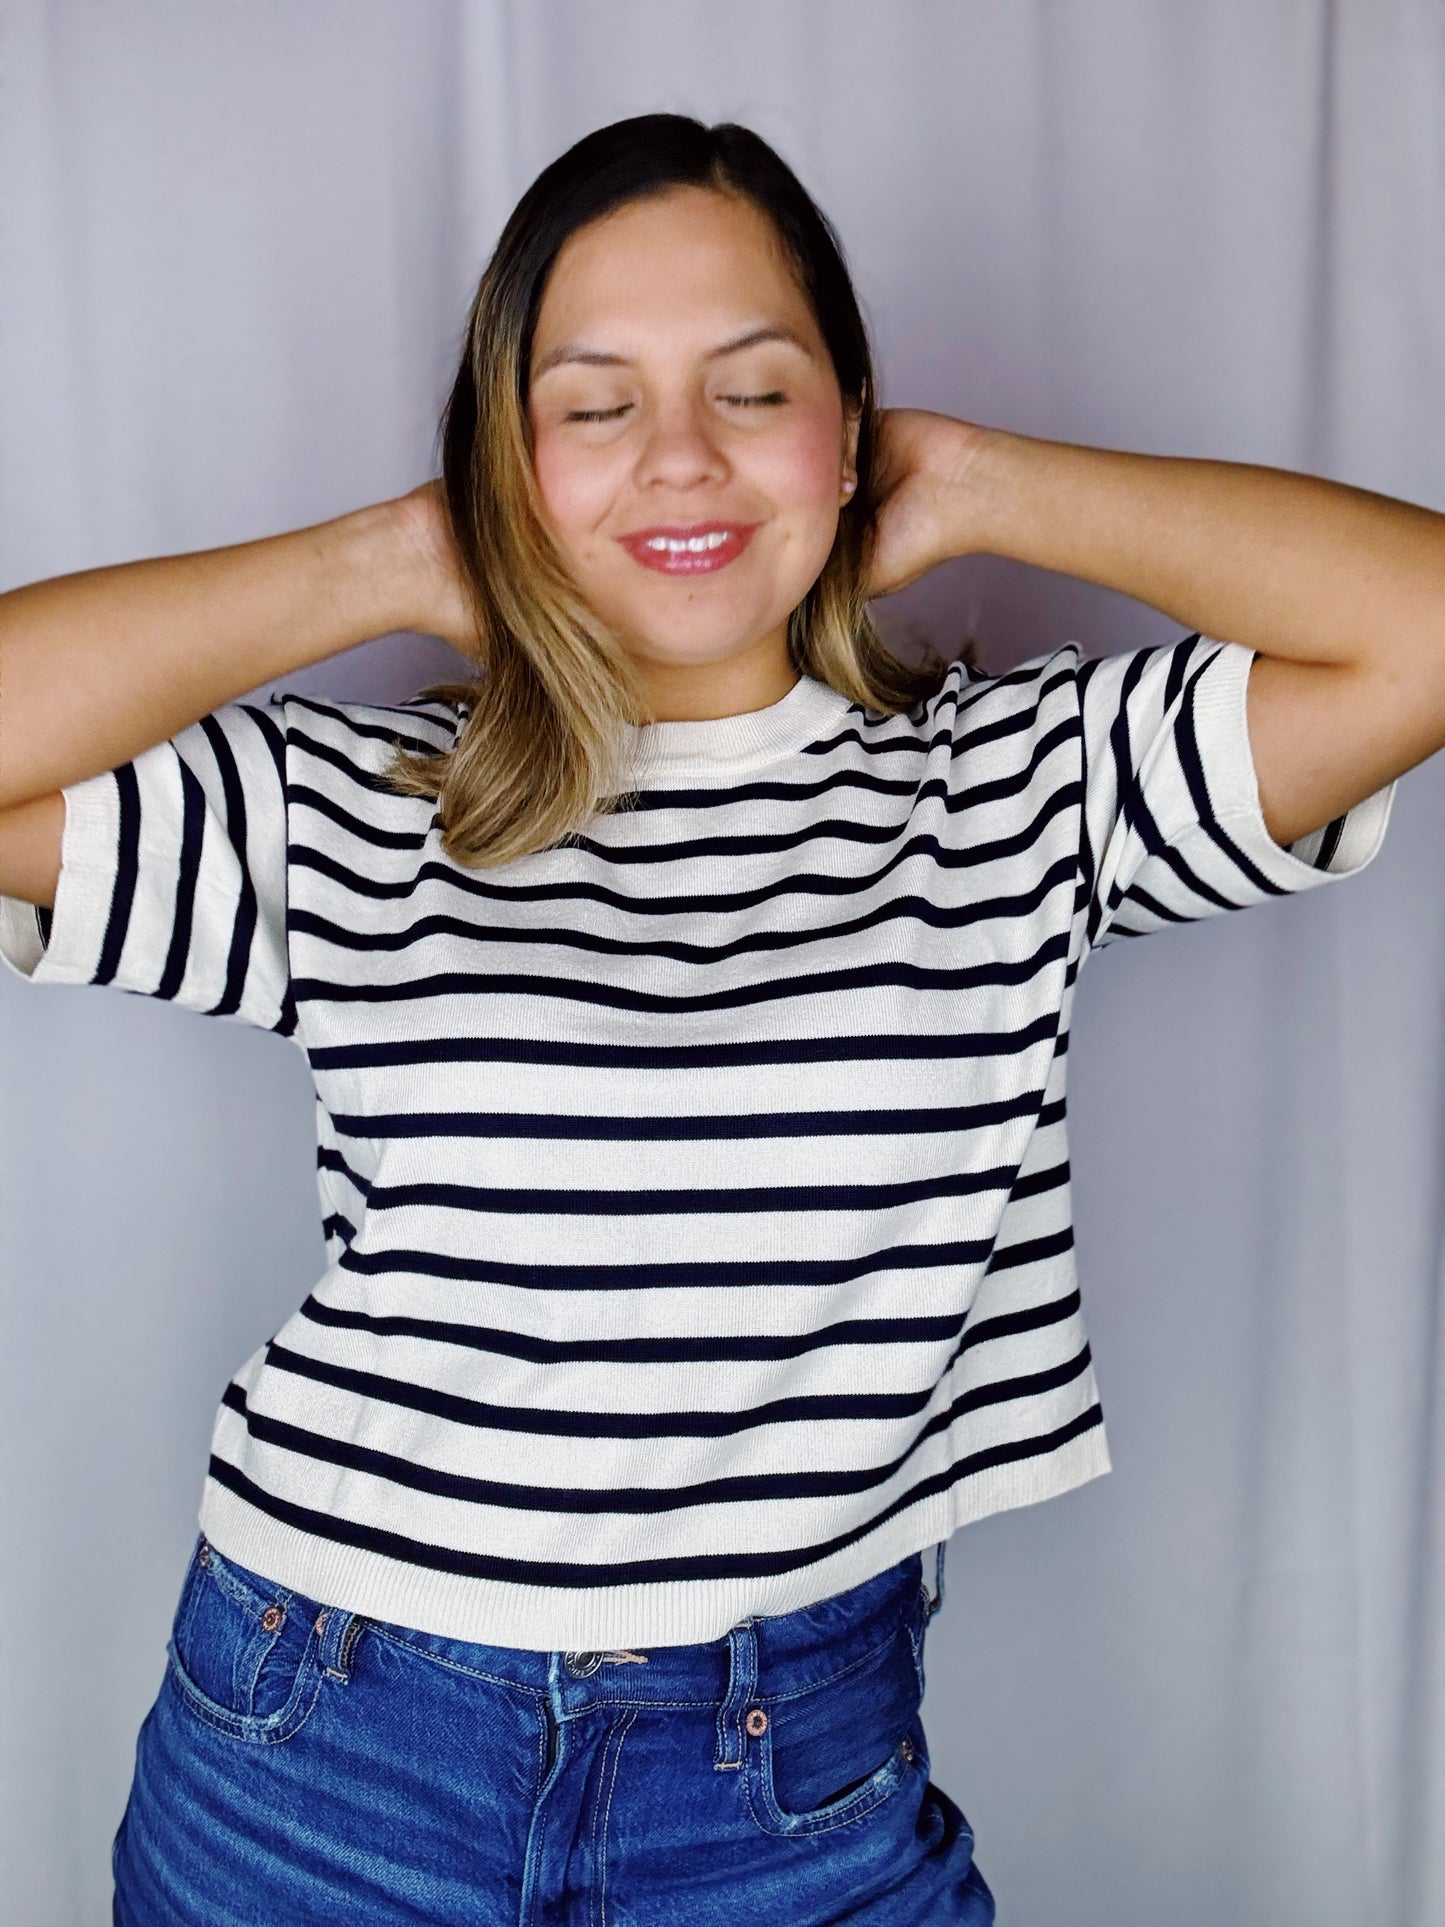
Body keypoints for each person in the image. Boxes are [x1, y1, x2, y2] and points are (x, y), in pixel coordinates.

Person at [0, 109, 1437, 1925]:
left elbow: (1425, 628)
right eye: (591, 407)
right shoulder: (361, 808)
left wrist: (984, 482)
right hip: (323, 1740)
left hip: (792, 1776)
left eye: (755, 392)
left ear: (851, 429)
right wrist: (382, 563)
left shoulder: (1016, 788)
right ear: (503, 466)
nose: (677, 457)